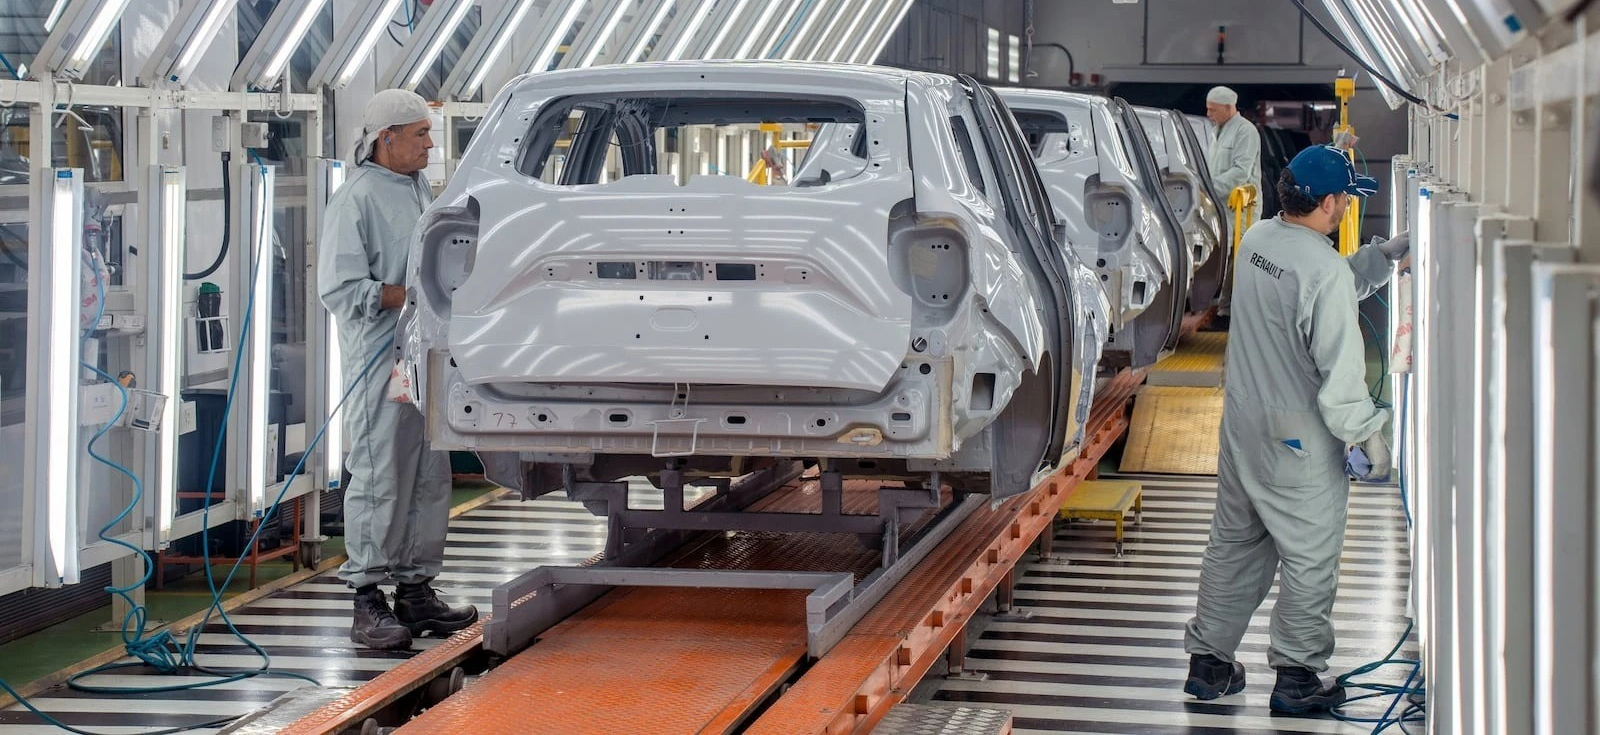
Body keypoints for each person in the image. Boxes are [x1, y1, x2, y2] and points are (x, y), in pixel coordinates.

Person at [1181, 144, 1408, 714]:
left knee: (1233, 545)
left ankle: (1209, 665)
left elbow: (1306, 291)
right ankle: (1297, 678)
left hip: (1244, 427)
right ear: (1328, 202)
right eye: (1345, 199)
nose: (1345, 208)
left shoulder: (1259, 240)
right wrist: (1367, 435)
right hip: (1298, 441)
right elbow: (1339, 368)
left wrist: (1379, 259)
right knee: (1309, 557)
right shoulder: (1322, 270)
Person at [318, 89, 477, 650]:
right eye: (420, 134)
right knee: (380, 474)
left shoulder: (417, 189)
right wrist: (412, 294)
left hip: (422, 358)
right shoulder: (355, 200)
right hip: (379, 360)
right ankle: (366, 599)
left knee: (430, 472)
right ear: (386, 138)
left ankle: (415, 590)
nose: (430, 145)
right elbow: (340, 289)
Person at [1204, 86, 1263, 325]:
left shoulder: (1245, 132)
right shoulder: (1216, 131)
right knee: (1228, 257)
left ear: (1229, 108)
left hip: (1242, 208)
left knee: (1239, 257)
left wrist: (1208, 188)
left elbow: (1240, 172)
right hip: (1221, 205)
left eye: (1213, 110)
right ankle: (1224, 309)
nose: (1208, 114)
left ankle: (1229, 313)